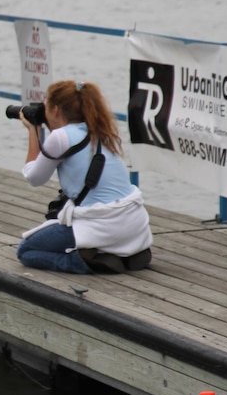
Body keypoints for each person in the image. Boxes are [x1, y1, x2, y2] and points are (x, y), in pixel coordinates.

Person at [15, 81, 153, 274]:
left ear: (55, 110)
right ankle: (126, 253)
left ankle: (86, 261)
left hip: (100, 224)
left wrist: (34, 131)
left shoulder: (60, 137)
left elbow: (34, 177)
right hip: (134, 223)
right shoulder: (101, 129)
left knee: (26, 250)